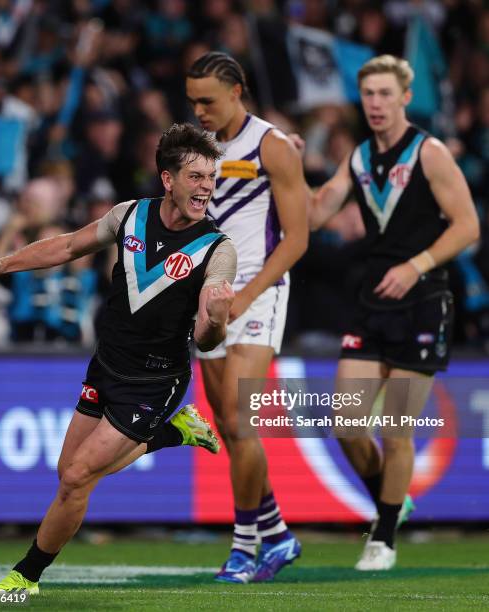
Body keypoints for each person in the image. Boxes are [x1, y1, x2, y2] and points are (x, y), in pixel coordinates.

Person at [0, 123, 237, 594]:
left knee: (76, 479)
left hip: (156, 382)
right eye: (196, 176)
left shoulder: (217, 249)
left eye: (212, 177)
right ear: (168, 179)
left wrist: (216, 319)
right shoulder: (128, 215)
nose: (206, 187)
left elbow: (209, 338)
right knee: (67, 473)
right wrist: (4, 263)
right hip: (106, 365)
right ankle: (177, 432)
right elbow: (70, 245)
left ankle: (25, 576)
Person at [307, 55, 480, 571]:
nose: (376, 104)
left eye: (385, 94)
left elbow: (468, 225)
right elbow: (317, 212)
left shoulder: (429, 152)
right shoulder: (359, 158)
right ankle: (391, 498)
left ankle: (382, 536)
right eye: (368, 95)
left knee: (396, 427)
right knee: (345, 422)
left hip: (423, 302)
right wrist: (292, 163)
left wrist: (415, 265)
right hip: (373, 302)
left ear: (405, 97)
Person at [185, 52, 309, 583]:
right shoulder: (197, 147)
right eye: (192, 101)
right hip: (208, 297)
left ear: (237, 90)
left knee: (240, 419)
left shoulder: (272, 146)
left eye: (208, 100)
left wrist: (247, 292)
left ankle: (245, 547)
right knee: (231, 429)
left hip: (259, 291)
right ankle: (278, 533)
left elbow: (298, 239)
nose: (199, 110)